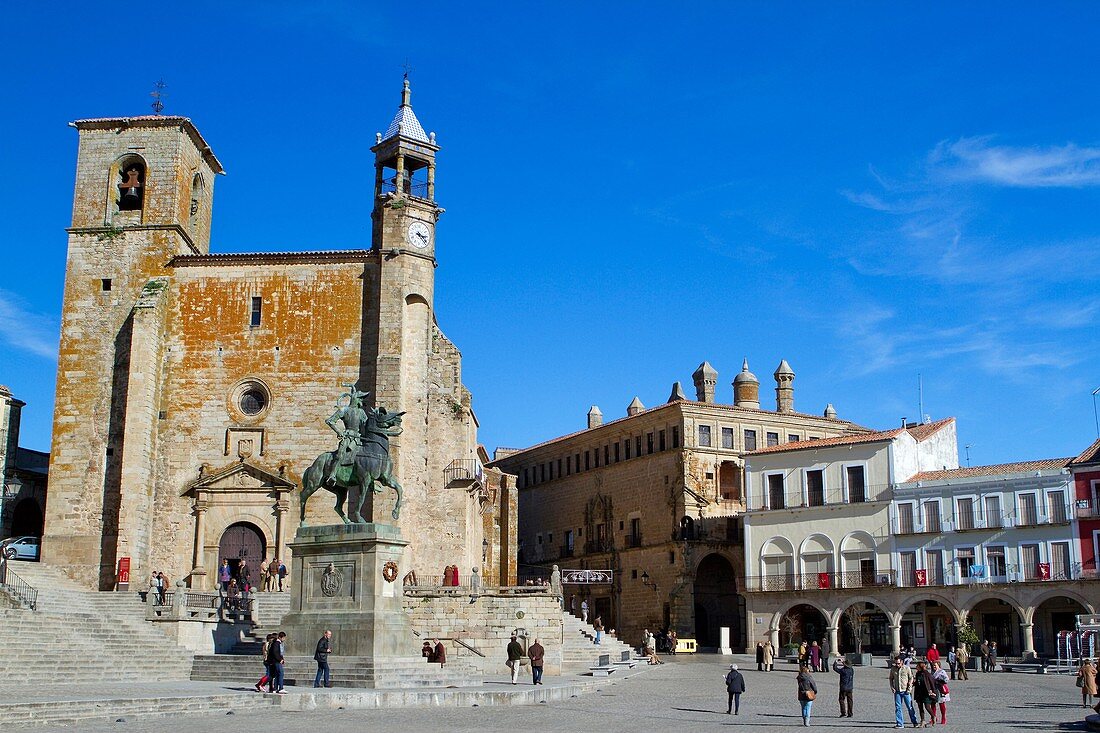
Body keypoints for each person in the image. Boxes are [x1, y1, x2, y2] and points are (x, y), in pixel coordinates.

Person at [890, 655, 919, 729]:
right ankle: (900, 723)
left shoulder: (907, 668)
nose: (897, 665)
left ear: (902, 662)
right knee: (898, 707)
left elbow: (911, 678)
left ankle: (914, 722)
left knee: (910, 707)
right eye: (896, 663)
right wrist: (892, 687)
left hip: (906, 691)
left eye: (898, 663)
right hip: (897, 691)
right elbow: (891, 678)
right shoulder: (893, 669)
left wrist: (909, 689)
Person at [914, 660, 938, 727]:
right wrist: (913, 683)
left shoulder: (927, 674)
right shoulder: (918, 673)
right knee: (920, 707)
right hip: (919, 692)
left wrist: (933, 692)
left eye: (917, 666)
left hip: (926, 693)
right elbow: (917, 682)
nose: (916, 667)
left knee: (927, 706)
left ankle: (933, 716)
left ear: (920, 666)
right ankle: (922, 720)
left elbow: (932, 682)